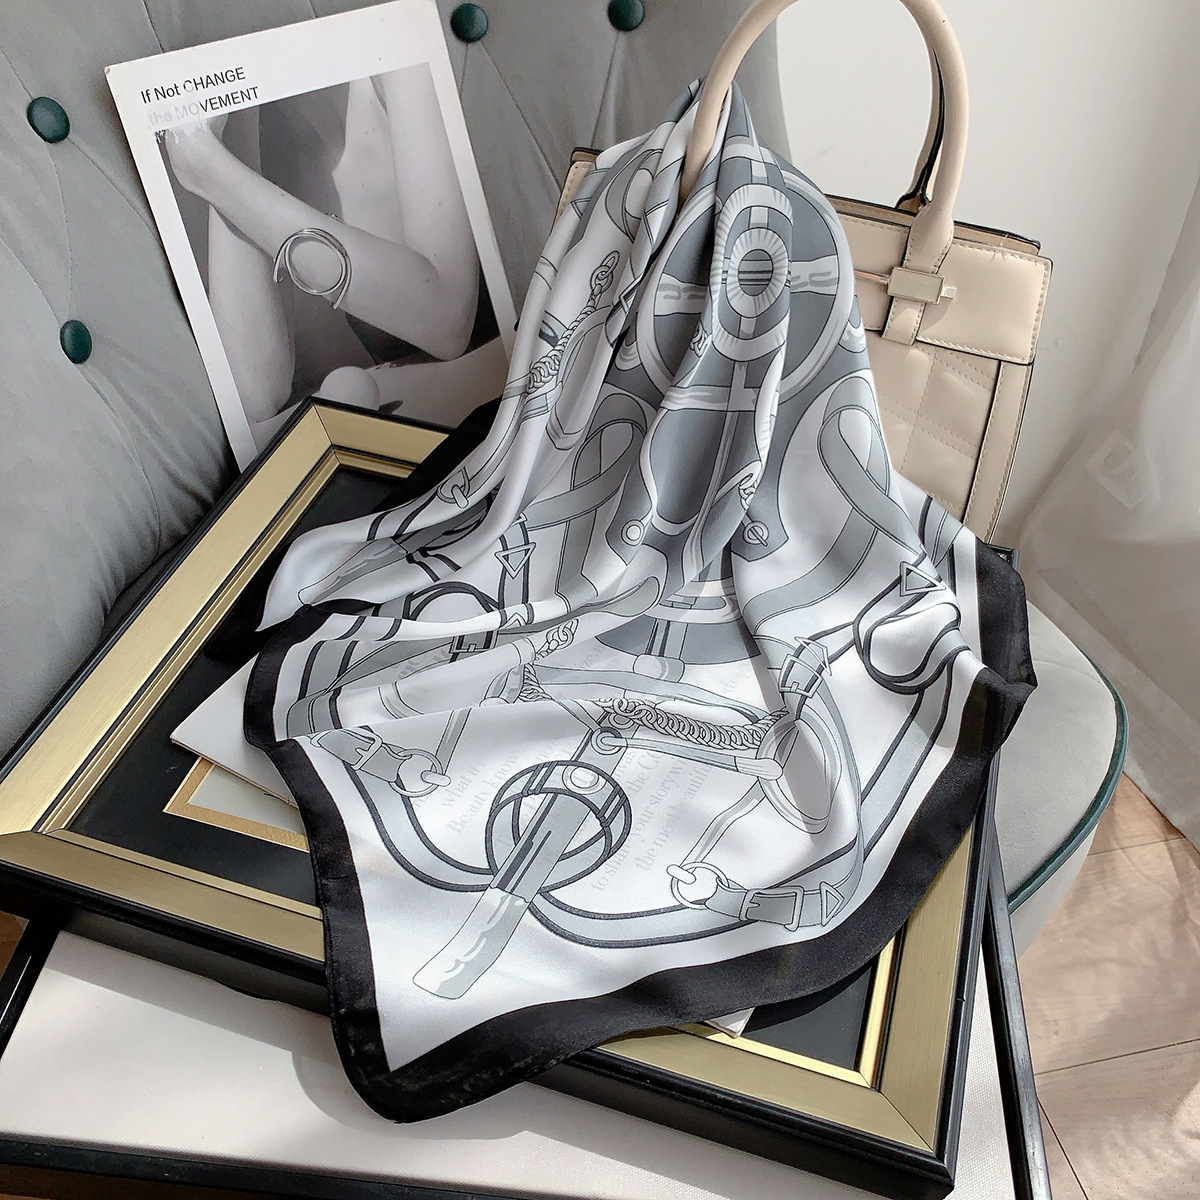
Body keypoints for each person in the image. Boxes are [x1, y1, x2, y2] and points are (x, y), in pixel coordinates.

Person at [164, 65, 505, 445]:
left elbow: (449, 323)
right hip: (386, 449)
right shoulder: (217, 126)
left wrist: (208, 168)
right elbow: (257, 395)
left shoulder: (392, 66)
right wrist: (231, 126)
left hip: (499, 419)